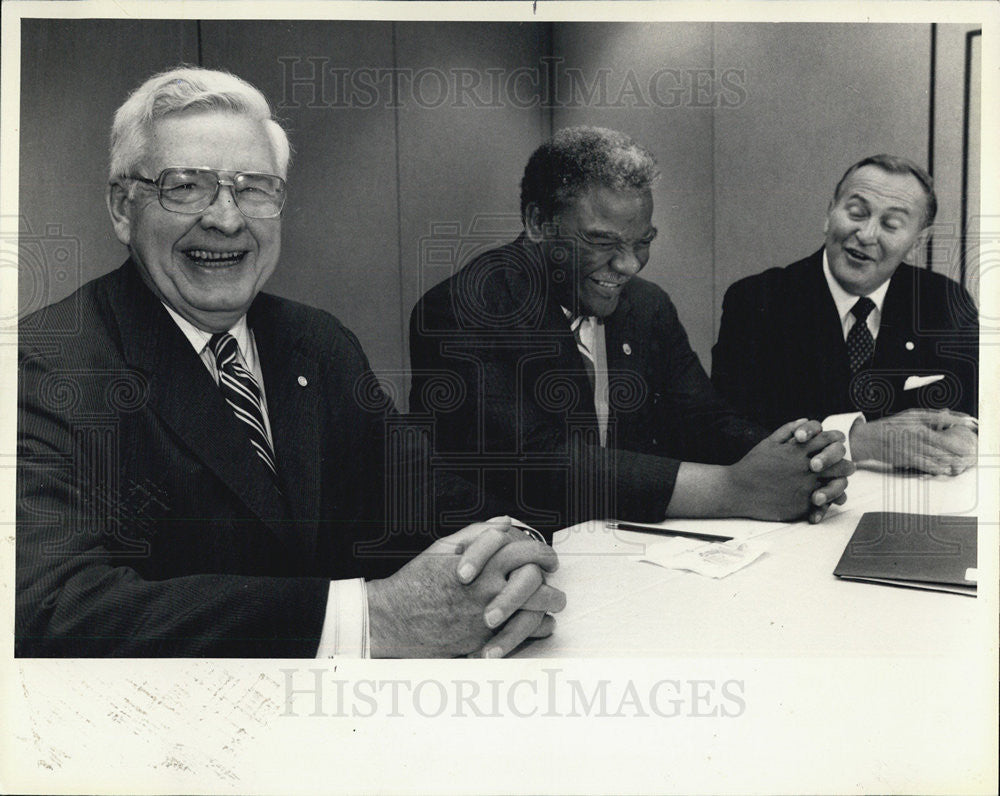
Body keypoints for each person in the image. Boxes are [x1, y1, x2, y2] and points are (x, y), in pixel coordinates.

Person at [16, 67, 565, 658]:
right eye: (185, 187)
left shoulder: (316, 340)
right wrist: (369, 623)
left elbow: (424, 493)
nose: (226, 219)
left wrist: (509, 543)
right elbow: (52, 606)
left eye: (253, 187)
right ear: (123, 208)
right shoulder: (46, 365)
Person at [409, 126, 854, 538]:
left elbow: (703, 419)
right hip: (518, 556)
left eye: (642, 241)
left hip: (631, 545)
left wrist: (797, 462)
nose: (628, 265)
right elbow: (538, 463)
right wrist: (732, 489)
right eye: (603, 243)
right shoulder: (466, 307)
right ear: (537, 223)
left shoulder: (647, 305)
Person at [712, 154, 978, 476]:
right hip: (802, 502)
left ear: (917, 243)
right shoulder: (758, 300)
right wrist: (858, 440)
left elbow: (976, 407)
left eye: (890, 225)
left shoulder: (944, 302)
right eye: (856, 213)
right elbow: (726, 431)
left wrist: (968, 434)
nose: (866, 234)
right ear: (829, 214)